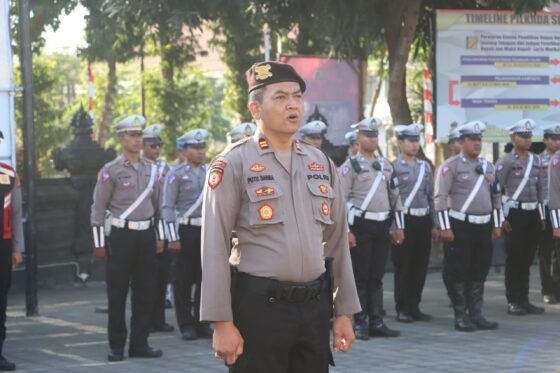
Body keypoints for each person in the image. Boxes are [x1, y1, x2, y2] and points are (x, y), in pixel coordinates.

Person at [201, 61, 359, 372]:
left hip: (313, 309)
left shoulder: (320, 163)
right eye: (280, 97)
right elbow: (214, 247)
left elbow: (338, 242)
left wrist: (344, 312)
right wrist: (221, 322)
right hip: (260, 310)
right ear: (255, 109)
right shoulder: (234, 163)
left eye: (297, 96)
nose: (292, 105)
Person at [91, 115, 164, 361]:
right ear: (121, 138)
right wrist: (99, 243)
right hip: (120, 237)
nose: (137, 140)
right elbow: (98, 208)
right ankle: (116, 346)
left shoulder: (152, 170)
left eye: (139, 135)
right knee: (118, 294)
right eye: (132, 135)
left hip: (146, 237)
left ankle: (139, 344)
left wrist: (160, 236)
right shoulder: (110, 170)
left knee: (146, 293)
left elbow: (159, 208)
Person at [339, 117, 404, 339]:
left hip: (382, 225)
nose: (372, 139)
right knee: (360, 276)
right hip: (361, 226)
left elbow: (396, 197)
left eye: (375, 135)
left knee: (377, 275)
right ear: (358, 138)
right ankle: (360, 321)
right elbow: (339, 200)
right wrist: (346, 231)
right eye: (368, 135)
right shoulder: (350, 167)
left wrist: (399, 226)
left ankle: (377, 320)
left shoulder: (386, 165)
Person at [434, 121, 501, 331]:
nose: (477, 144)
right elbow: (440, 198)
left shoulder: (488, 166)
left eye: (479, 140)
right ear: (462, 142)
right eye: (472, 140)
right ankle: (461, 314)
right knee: (458, 271)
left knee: (479, 270)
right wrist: (445, 227)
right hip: (460, 226)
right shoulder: (450, 166)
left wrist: (497, 224)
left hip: (483, 226)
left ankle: (477, 313)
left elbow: (497, 197)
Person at [163, 129, 212, 341]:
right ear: (185, 150)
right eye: (195, 148)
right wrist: (172, 237)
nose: (200, 152)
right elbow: (167, 206)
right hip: (184, 230)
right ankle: (186, 325)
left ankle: (202, 323)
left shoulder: (211, 171)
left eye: (202, 147)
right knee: (182, 280)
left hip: (205, 230)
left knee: (205, 279)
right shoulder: (175, 174)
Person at [496, 119, 545, 316]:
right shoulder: (506, 161)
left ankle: (524, 300)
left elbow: (542, 189)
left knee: (527, 258)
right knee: (514, 258)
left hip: (532, 213)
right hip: (514, 213)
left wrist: (541, 214)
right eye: (523, 136)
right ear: (513, 138)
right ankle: (513, 300)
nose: (527, 140)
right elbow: (495, 190)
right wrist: (501, 218)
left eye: (529, 136)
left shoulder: (536, 160)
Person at [391, 124, 436, 323]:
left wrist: (434, 223)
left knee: (420, 264)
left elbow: (431, 196)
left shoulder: (425, 166)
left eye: (416, 140)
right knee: (404, 266)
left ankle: (415, 305)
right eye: (410, 141)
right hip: (404, 220)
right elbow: (391, 199)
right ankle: (402, 308)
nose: (414, 145)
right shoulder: (393, 166)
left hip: (423, 219)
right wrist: (394, 226)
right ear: (400, 142)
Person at [142, 124, 174, 333]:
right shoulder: (136, 167)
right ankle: (144, 320)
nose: (156, 149)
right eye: (152, 145)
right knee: (145, 281)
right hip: (143, 226)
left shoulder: (166, 168)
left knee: (162, 276)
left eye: (159, 145)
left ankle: (158, 319)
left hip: (162, 226)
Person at [0, 130, 24, 372]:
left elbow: (16, 213)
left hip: (2, 244)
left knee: (1, 301)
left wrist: (18, 248)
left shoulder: (7, 174)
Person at [537, 124, 560, 304]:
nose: (557, 142)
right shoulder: (538, 161)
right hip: (545, 209)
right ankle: (547, 289)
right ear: (545, 140)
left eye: (559, 138)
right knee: (545, 250)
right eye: (553, 138)